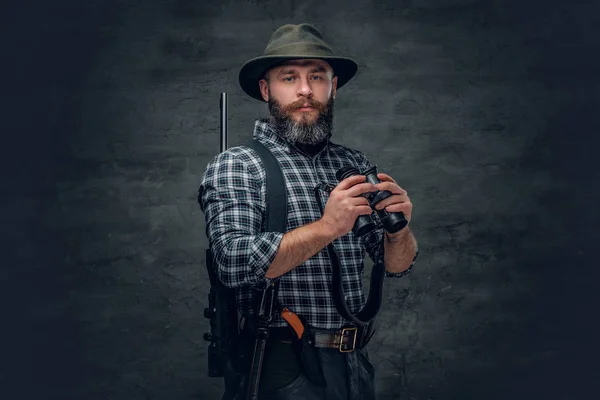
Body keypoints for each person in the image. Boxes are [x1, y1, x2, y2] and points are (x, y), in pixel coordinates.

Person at [199, 23, 419, 400]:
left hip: (354, 363)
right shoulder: (238, 164)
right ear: (267, 90)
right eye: (290, 77)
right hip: (281, 365)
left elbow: (396, 266)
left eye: (317, 76)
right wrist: (327, 227)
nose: (305, 90)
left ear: (332, 86)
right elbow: (232, 263)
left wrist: (399, 233)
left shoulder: (352, 162)